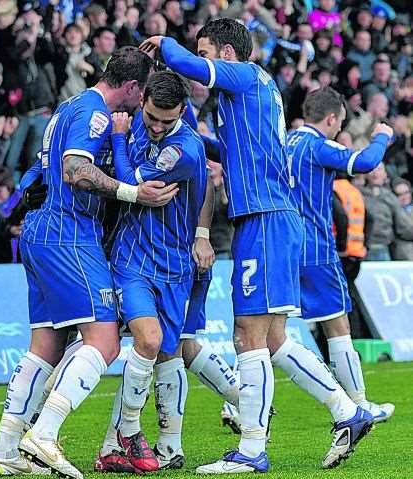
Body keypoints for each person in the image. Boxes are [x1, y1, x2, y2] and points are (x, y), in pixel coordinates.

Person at [0, 48, 178, 479]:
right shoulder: (94, 114)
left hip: (40, 231)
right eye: (142, 91)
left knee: (46, 348)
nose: (142, 99)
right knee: (105, 341)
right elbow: (75, 171)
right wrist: (134, 193)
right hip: (70, 235)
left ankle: (4, 452)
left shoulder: (69, 105)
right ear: (131, 88)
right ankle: (45, 434)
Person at [141, 18, 303, 474]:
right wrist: (199, 142)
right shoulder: (248, 97)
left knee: (249, 338)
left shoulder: (247, 75)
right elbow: (230, 153)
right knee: (264, 338)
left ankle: (252, 448)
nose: (203, 61)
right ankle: (343, 410)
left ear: (227, 54)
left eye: (207, 51)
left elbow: (187, 64)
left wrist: (165, 44)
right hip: (265, 218)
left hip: (265, 217)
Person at [96, 70, 207, 474]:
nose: (158, 127)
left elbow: (130, 182)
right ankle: (128, 430)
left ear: (182, 111)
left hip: (175, 263)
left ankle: (121, 447)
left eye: (167, 120)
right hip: (132, 261)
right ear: (141, 100)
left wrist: (202, 234)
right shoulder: (138, 120)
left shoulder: (183, 150)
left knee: (168, 352)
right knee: (149, 339)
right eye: (152, 118)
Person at [283, 87, 395, 467]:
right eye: (340, 123)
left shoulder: (285, 141)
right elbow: (364, 163)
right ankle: (357, 405)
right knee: (337, 329)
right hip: (316, 250)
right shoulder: (317, 145)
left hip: (283, 248)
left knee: (270, 332)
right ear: (331, 119)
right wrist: (383, 135)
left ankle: (243, 407)